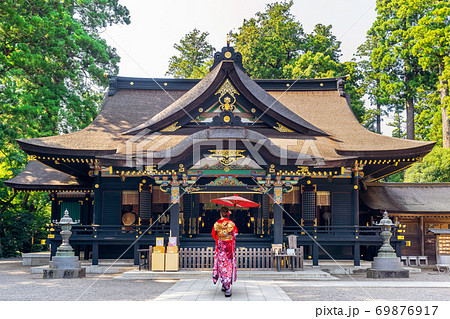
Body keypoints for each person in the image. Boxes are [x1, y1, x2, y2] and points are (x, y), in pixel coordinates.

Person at [211, 206, 238, 297]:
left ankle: (223, 284)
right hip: (229, 248)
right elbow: (235, 234)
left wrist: (221, 236)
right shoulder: (231, 224)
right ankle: (228, 288)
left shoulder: (216, 224)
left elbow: (213, 235)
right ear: (227, 213)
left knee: (221, 265)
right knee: (228, 266)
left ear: (220, 213)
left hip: (220, 248)